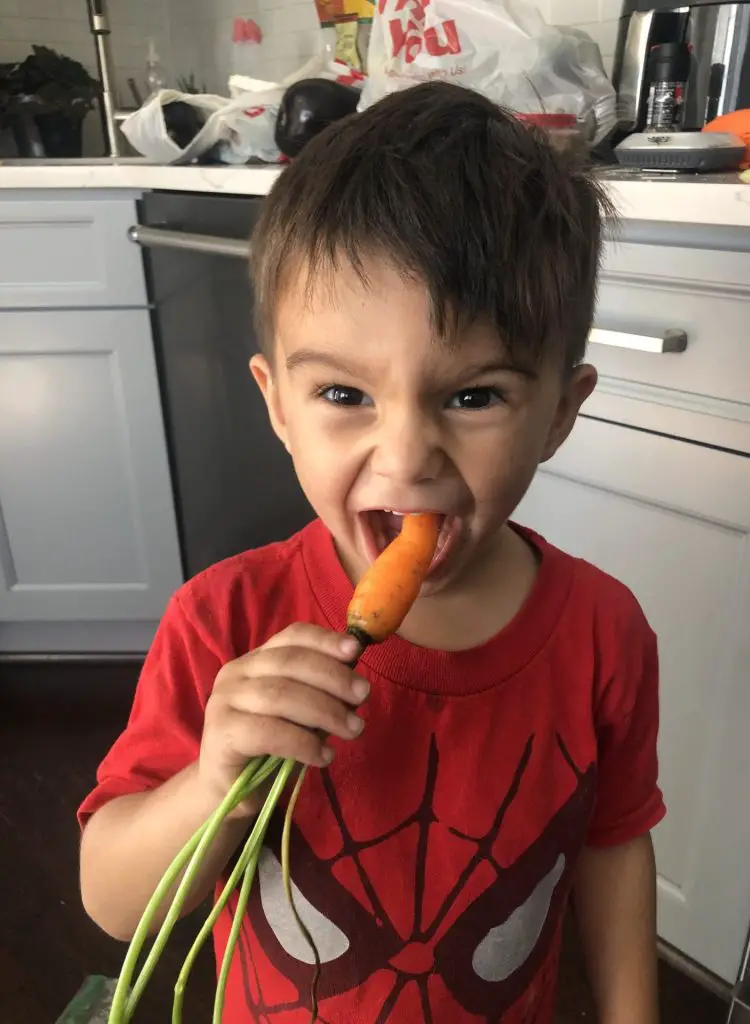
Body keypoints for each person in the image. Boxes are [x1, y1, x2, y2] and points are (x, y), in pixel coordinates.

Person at [78, 81, 665, 1023]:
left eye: (473, 396)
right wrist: (216, 785)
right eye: (345, 395)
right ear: (277, 404)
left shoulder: (604, 631)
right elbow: (113, 906)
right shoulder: (224, 623)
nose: (405, 458)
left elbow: (613, 844)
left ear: (560, 411)